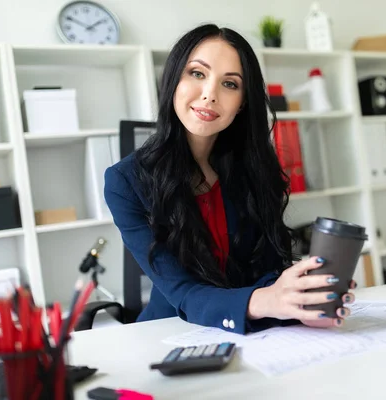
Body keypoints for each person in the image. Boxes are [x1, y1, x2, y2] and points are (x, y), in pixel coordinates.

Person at [103, 23, 356, 335]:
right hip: (171, 334)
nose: (210, 94)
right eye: (197, 73)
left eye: (230, 84)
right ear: (173, 81)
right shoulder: (125, 182)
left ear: (243, 103)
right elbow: (184, 293)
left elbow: (265, 271)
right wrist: (269, 301)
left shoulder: (252, 168)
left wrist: (301, 301)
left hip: (252, 332)